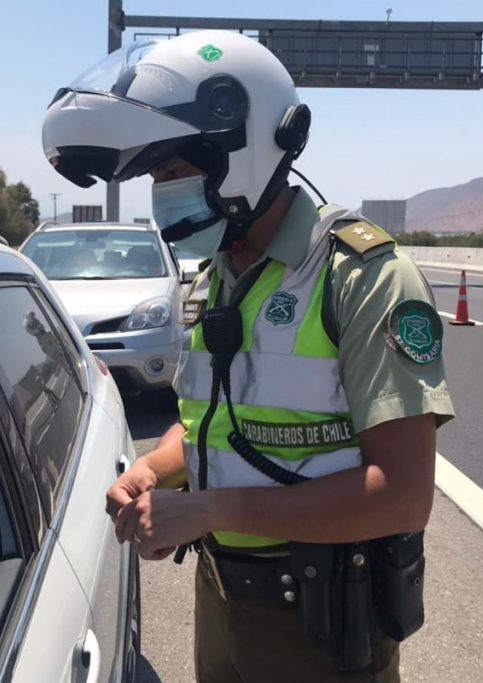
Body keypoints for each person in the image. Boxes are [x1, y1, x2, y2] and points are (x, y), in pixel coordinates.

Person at [42, 30, 454, 682]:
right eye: (155, 175)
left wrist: (211, 508)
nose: (162, 191)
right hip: (222, 593)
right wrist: (155, 469)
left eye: (175, 171)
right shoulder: (216, 275)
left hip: (323, 616)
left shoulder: (361, 275)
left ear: (248, 149)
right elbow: (209, 418)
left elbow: (402, 497)